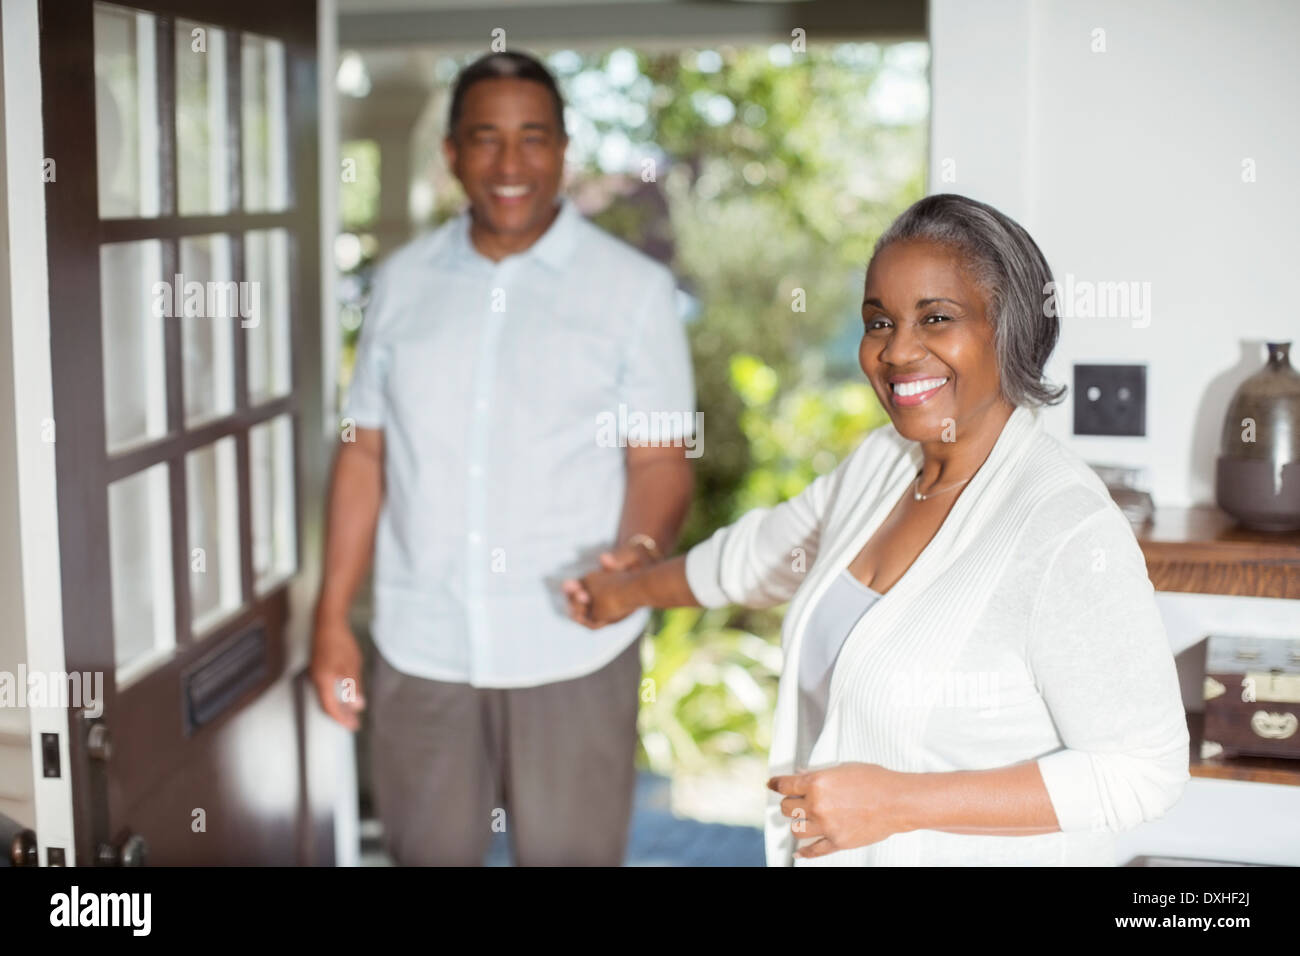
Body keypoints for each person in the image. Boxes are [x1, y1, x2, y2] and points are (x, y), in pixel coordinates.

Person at [563, 193, 1190, 866]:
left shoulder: (1065, 527)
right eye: (879, 322)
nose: (897, 352)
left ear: (1009, 329)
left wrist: (902, 802)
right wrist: (622, 592)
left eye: (937, 318)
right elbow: (756, 556)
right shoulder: (883, 465)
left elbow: (1142, 772)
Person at [310, 50, 696, 866]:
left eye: (533, 138)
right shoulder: (402, 283)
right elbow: (366, 454)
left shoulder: (632, 291)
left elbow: (660, 461)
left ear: (562, 149)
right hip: (422, 647)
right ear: (451, 153)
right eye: (486, 139)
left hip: (574, 645)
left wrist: (638, 558)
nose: (510, 164)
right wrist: (330, 617)